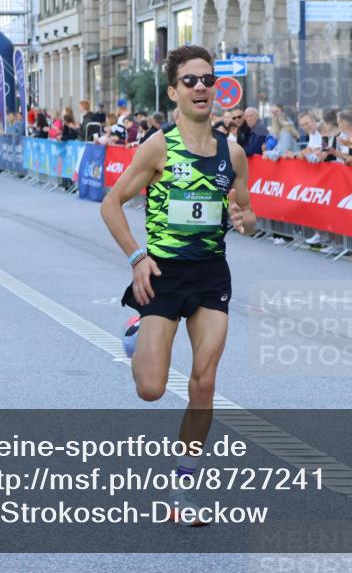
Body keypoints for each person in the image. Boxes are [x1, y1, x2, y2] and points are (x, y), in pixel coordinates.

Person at [100, 45, 255, 526]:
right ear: (173, 92)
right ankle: (137, 333)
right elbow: (111, 204)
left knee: (204, 383)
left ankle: (185, 489)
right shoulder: (158, 147)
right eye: (190, 81)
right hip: (163, 275)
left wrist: (244, 217)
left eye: (207, 79)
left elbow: (246, 211)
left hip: (210, 275)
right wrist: (136, 257)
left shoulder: (233, 153)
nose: (201, 87)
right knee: (150, 388)